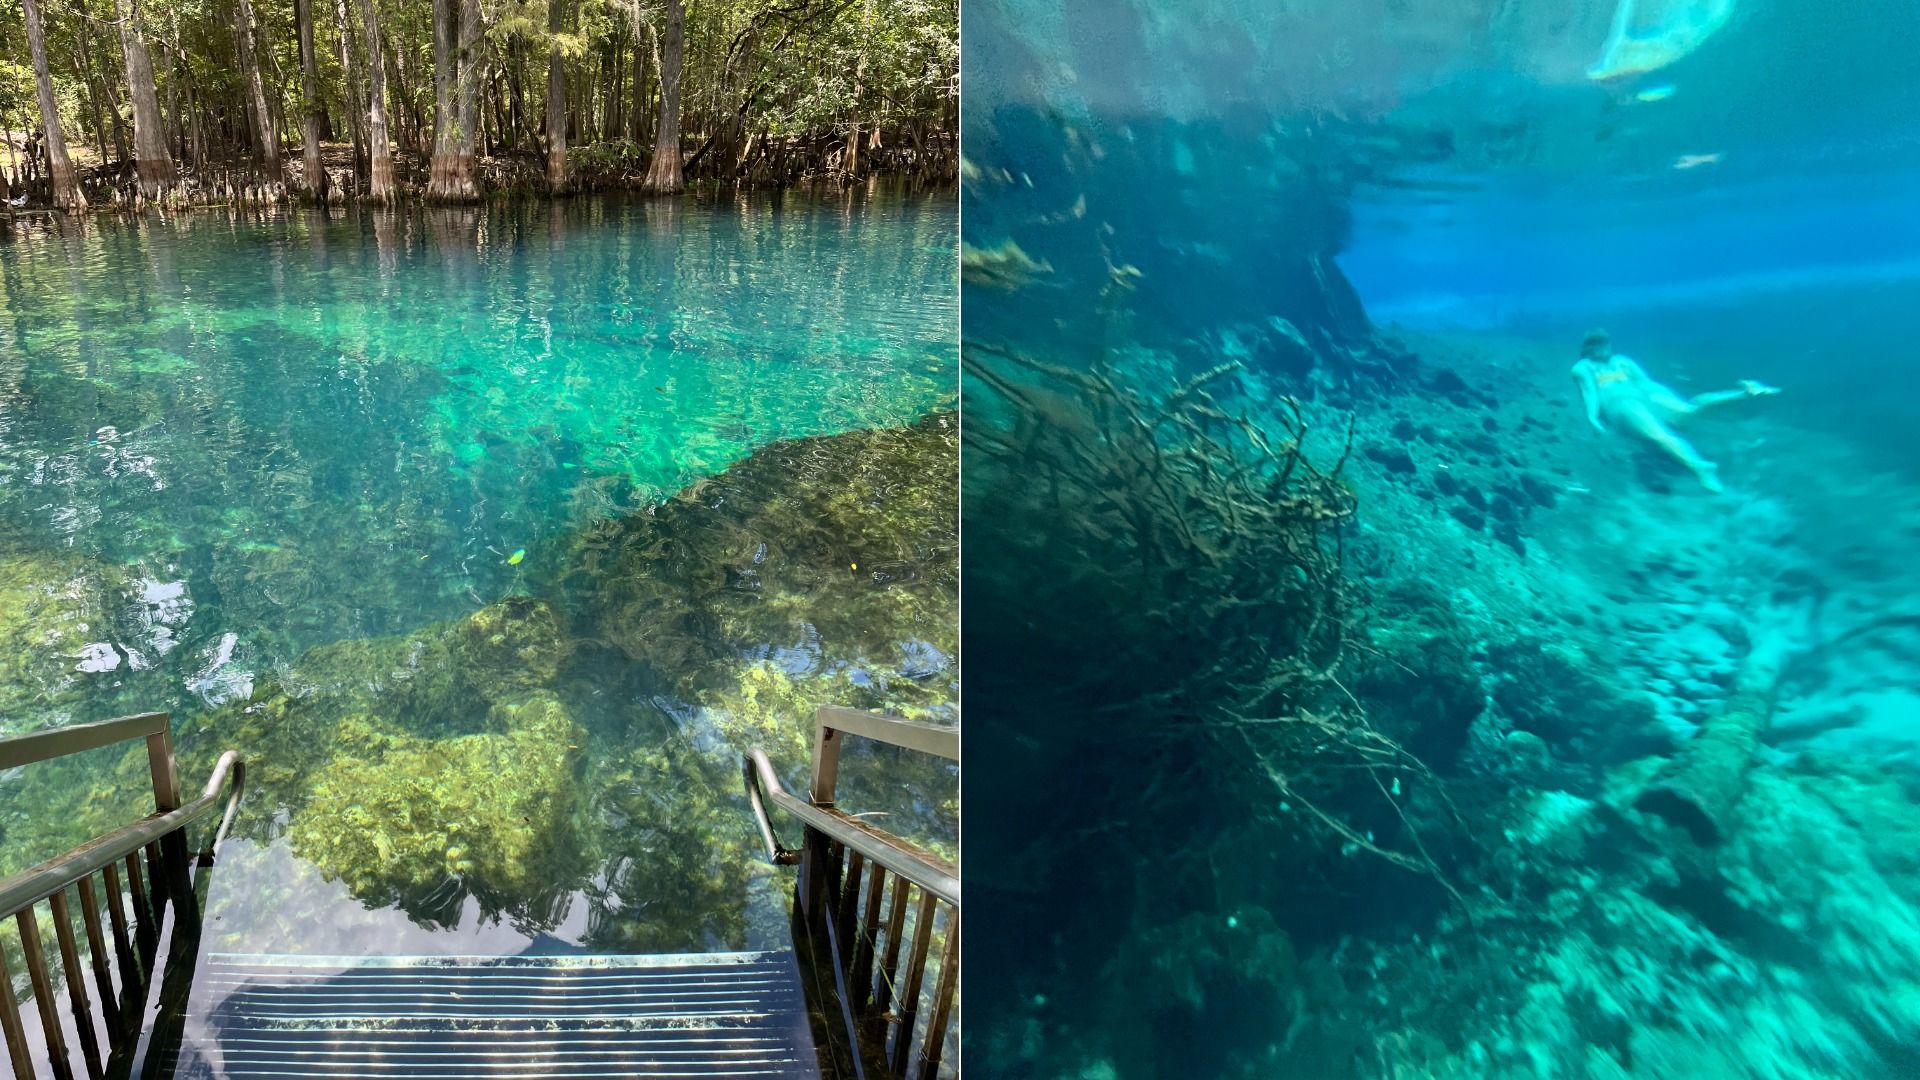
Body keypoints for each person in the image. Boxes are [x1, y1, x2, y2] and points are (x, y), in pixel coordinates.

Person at [1571, 329, 1778, 492]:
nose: (1603, 348)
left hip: (1638, 397)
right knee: (1663, 432)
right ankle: (1700, 465)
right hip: (1622, 404)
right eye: (1598, 344)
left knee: (1687, 411)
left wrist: (1663, 401)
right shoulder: (1584, 367)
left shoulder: (1622, 361)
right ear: (1589, 348)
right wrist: (1592, 417)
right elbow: (1590, 393)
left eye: (1605, 343)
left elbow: (1647, 383)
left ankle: (1744, 393)